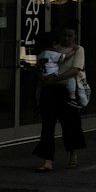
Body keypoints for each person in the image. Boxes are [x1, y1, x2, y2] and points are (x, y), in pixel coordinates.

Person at [33, 24, 87, 172]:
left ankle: (72, 154)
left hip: (65, 88)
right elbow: (39, 66)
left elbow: (75, 70)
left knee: (70, 124)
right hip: (50, 89)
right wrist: (44, 79)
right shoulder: (53, 48)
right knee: (47, 125)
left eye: (70, 35)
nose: (67, 38)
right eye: (65, 35)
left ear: (75, 36)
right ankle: (47, 159)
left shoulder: (78, 50)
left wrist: (54, 79)